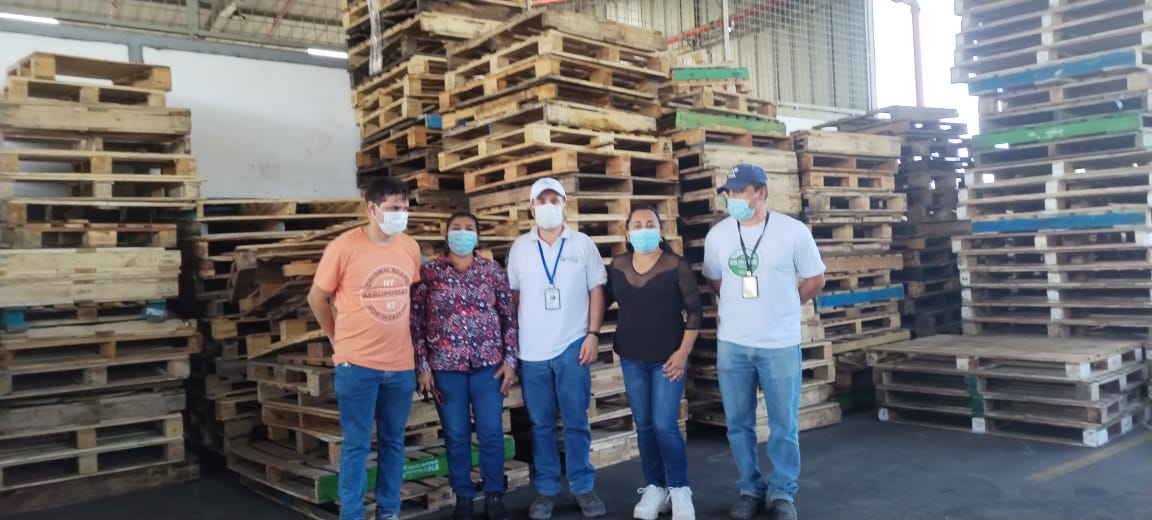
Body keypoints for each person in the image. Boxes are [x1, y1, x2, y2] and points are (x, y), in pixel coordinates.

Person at [702, 164, 826, 520]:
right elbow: (715, 280)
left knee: (783, 425)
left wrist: (785, 304)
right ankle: (749, 487)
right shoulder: (718, 236)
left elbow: (815, 279)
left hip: (779, 343)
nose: (733, 199)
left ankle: (783, 490)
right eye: (729, 193)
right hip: (733, 344)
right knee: (738, 423)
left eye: (740, 192)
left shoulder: (792, 231)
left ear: (761, 193)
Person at [306, 177, 423, 520]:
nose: (401, 214)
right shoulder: (343, 247)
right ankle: (353, 514)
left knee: (393, 443)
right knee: (356, 444)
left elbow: (410, 294)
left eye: (405, 208)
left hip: (400, 366)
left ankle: (389, 512)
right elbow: (316, 297)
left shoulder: (409, 247)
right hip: (357, 366)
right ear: (372, 208)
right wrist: (334, 337)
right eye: (393, 208)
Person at [506, 177, 608, 520]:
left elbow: (596, 290)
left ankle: (583, 486)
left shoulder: (582, 244)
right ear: (531, 208)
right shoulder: (520, 248)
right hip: (532, 351)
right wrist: (512, 346)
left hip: (572, 346)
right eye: (542, 201)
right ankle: (547, 490)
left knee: (576, 421)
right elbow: (513, 298)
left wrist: (593, 334)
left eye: (555, 200)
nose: (548, 206)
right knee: (541, 425)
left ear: (565, 205)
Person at [411, 212, 519, 520]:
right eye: (456, 228)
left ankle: (494, 495)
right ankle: (463, 497)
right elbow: (416, 321)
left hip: (489, 366)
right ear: (445, 235)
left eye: (469, 228)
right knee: (456, 434)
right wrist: (423, 365)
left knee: (491, 433)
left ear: (478, 236)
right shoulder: (429, 273)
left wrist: (510, 361)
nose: (462, 233)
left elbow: (509, 318)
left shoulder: (491, 271)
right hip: (445, 368)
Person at [605, 207, 703, 520]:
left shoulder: (676, 265)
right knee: (644, 425)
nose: (643, 229)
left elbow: (696, 312)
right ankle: (655, 487)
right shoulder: (618, 266)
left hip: (668, 359)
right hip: (631, 359)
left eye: (650, 224)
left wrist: (682, 353)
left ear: (661, 232)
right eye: (637, 224)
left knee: (665, 425)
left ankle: (679, 489)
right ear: (627, 233)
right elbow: (599, 300)